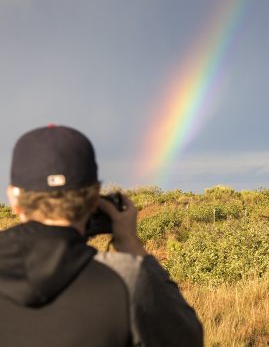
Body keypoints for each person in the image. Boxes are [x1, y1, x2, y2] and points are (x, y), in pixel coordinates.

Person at [0, 125, 203, 347]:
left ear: (13, 199)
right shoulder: (127, 278)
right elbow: (187, 339)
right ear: (95, 197)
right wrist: (131, 245)